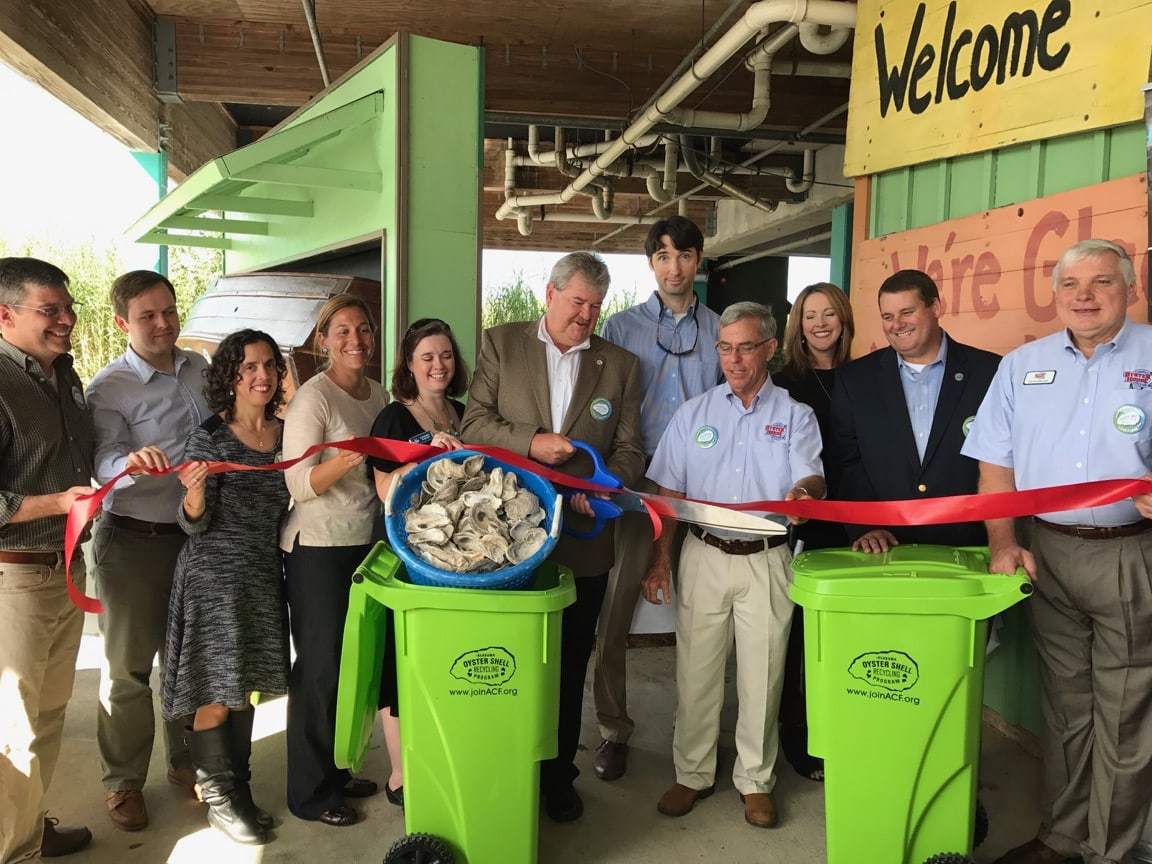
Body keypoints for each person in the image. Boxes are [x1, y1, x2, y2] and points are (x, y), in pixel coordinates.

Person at [962, 239, 1152, 864]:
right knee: (1065, 709)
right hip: (1046, 551)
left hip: (1130, 555)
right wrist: (1004, 541)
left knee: (1124, 714)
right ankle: (1064, 835)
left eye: (1101, 282)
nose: (1086, 296)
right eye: (1072, 285)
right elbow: (996, 463)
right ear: (1055, 293)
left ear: (1130, 287)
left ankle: (1114, 849)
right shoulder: (1022, 366)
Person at [461, 251, 645, 823]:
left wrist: (608, 490)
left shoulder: (621, 365)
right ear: (549, 295)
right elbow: (473, 426)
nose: (585, 316)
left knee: (567, 664)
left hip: (583, 541)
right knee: (506, 664)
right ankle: (504, 770)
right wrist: (532, 440)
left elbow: (630, 450)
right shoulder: (502, 344)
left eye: (594, 306)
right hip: (504, 539)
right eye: (576, 303)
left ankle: (557, 776)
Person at [641, 301, 824, 830]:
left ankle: (755, 780)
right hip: (703, 553)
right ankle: (692, 773)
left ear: (769, 348)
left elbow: (813, 479)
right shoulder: (694, 414)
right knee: (695, 670)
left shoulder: (795, 415)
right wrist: (660, 561)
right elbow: (669, 492)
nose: (735, 359)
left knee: (763, 675)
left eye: (746, 347)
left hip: (767, 560)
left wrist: (802, 494)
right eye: (725, 347)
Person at [590, 215, 722, 783]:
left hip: (707, 487)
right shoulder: (619, 329)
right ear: (650, 264)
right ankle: (614, 731)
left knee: (710, 612)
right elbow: (605, 408)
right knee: (616, 612)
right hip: (637, 485)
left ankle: (700, 739)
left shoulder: (722, 329)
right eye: (663, 256)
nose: (674, 266)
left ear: (698, 261)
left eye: (685, 255)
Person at [85, 270, 209, 832]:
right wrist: (129, 465)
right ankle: (123, 783)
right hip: (133, 539)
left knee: (185, 662)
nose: (162, 324)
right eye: (147, 316)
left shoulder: (200, 369)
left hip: (194, 538)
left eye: (169, 311)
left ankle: (185, 763)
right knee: (130, 672)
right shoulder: (110, 387)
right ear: (121, 323)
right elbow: (102, 461)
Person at [161, 329, 290, 846]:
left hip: (261, 576)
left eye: (269, 366)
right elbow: (193, 523)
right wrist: (193, 495)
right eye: (249, 367)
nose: (261, 376)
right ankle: (219, 801)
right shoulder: (209, 437)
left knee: (245, 688)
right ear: (230, 377)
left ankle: (240, 792)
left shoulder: (288, 434)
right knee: (216, 689)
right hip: (214, 578)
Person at [281, 295, 389, 827]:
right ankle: (310, 792)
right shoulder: (312, 399)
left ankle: (339, 770)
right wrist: (348, 458)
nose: (356, 340)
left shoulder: (378, 394)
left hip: (365, 543)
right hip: (319, 550)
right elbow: (299, 483)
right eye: (342, 331)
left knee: (353, 667)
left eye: (364, 330)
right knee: (320, 670)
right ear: (324, 340)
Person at [0, 257, 94, 861]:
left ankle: (27, 829)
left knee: (51, 714)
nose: (66, 320)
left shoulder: (64, 376)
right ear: (5, 315)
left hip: (65, 570)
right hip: (15, 578)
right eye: (49, 311)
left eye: (68, 308)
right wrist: (59, 502)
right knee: (15, 730)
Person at [828, 269, 1000, 551]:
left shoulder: (990, 371)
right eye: (887, 317)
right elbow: (846, 463)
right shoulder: (854, 380)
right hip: (885, 547)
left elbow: (1002, 462)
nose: (897, 324)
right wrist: (865, 525)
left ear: (935, 307)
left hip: (970, 545)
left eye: (907, 312)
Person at [771, 281, 855, 783]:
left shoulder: (866, 375)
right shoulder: (783, 384)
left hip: (855, 523)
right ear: (796, 325)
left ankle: (839, 724)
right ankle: (795, 732)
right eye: (809, 315)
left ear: (844, 319)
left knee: (840, 636)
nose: (819, 323)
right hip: (800, 524)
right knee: (796, 635)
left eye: (828, 314)